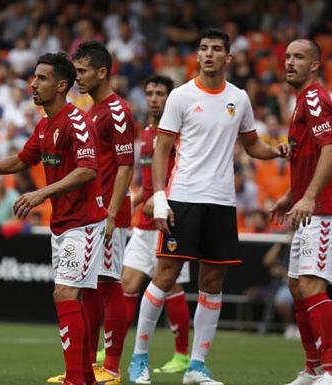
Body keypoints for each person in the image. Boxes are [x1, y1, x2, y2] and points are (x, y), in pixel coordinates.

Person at [128, 29, 290, 385]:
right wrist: (159, 197)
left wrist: (276, 150)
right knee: (165, 277)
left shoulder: (240, 98)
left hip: (221, 202)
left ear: (228, 57)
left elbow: (252, 145)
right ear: (198, 55)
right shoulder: (181, 96)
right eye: (204, 49)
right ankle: (139, 358)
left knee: (212, 282)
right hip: (183, 198)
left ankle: (196, 366)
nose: (209, 54)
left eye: (217, 49)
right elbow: (162, 150)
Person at [0, 52, 106, 385]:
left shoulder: (76, 121)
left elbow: (87, 170)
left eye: (42, 78)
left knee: (65, 295)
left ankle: (76, 379)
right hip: (64, 223)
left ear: (62, 85)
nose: (33, 84)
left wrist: (42, 193)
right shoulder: (45, 124)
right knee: (68, 296)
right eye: (34, 77)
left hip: (85, 222)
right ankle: (85, 378)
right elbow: (21, 161)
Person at [43, 40, 133, 385]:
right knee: (91, 288)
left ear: (102, 72)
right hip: (95, 214)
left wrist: (111, 213)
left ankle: (110, 366)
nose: (77, 77)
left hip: (106, 214)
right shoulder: (93, 110)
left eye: (82, 71)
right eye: (75, 71)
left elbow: (126, 165)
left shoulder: (117, 110)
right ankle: (87, 369)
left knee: (109, 285)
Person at [121, 74, 193, 376]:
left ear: (170, 97)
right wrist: (134, 202)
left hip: (170, 222)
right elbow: (146, 182)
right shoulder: (147, 133)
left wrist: (163, 199)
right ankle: (112, 347)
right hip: (144, 224)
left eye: (160, 93)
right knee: (126, 284)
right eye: (149, 93)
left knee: (171, 286)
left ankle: (182, 355)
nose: (153, 98)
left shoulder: (179, 132)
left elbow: (183, 173)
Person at [271, 39, 332, 385]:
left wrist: (308, 197)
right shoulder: (300, 102)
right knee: (295, 284)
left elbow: (330, 148)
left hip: (323, 209)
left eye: (299, 57)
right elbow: (310, 158)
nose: (290, 62)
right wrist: (290, 195)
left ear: (315, 66)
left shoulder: (314, 99)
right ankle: (313, 368)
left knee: (310, 283)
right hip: (309, 205)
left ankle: (331, 368)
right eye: (288, 56)